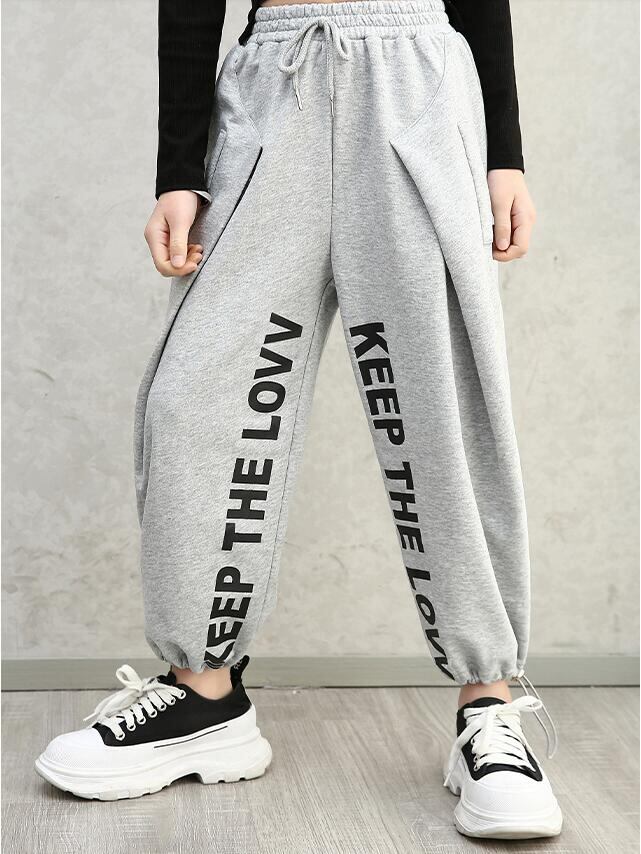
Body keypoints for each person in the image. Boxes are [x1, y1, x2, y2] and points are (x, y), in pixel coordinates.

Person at [35, 0, 563, 839]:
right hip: (272, 82)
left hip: (416, 76)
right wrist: (178, 168)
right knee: (194, 399)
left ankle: (488, 707)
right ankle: (204, 694)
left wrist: (505, 152)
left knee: (441, 399)